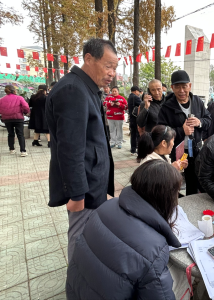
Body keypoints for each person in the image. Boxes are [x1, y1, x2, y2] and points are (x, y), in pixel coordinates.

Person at [66, 160, 182, 299]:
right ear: (167, 199)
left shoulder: (105, 206)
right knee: (181, 279)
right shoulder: (154, 248)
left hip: (74, 292)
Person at [46, 38, 116, 262]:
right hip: (84, 189)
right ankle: (78, 286)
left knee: (91, 237)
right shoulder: (72, 90)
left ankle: (88, 278)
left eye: (115, 67)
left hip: (93, 183)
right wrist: (77, 194)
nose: (112, 73)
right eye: (108, 66)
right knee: (80, 238)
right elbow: (70, 148)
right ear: (88, 59)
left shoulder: (87, 88)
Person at [158, 70, 211, 195]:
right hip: (177, 152)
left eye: (184, 86)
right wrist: (181, 131)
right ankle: (173, 208)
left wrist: (200, 122)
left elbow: (208, 120)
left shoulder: (197, 101)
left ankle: (191, 208)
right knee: (174, 183)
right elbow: (161, 131)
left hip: (196, 151)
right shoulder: (166, 107)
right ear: (172, 87)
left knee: (195, 183)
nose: (181, 90)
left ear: (190, 86)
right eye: (177, 87)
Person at [0, 85, 30, 156]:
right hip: (18, 118)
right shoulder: (19, 98)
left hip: (7, 119)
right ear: (14, 91)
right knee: (20, 134)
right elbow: (25, 106)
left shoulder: (1, 99)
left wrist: (3, 114)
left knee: (10, 134)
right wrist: (25, 112)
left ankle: (12, 149)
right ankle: (23, 151)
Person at [127, 86, 141, 154]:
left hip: (131, 117)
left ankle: (133, 149)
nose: (138, 93)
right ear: (136, 91)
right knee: (138, 134)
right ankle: (139, 150)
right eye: (138, 91)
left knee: (133, 134)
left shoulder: (129, 97)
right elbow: (142, 104)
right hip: (136, 118)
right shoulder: (136, 97)